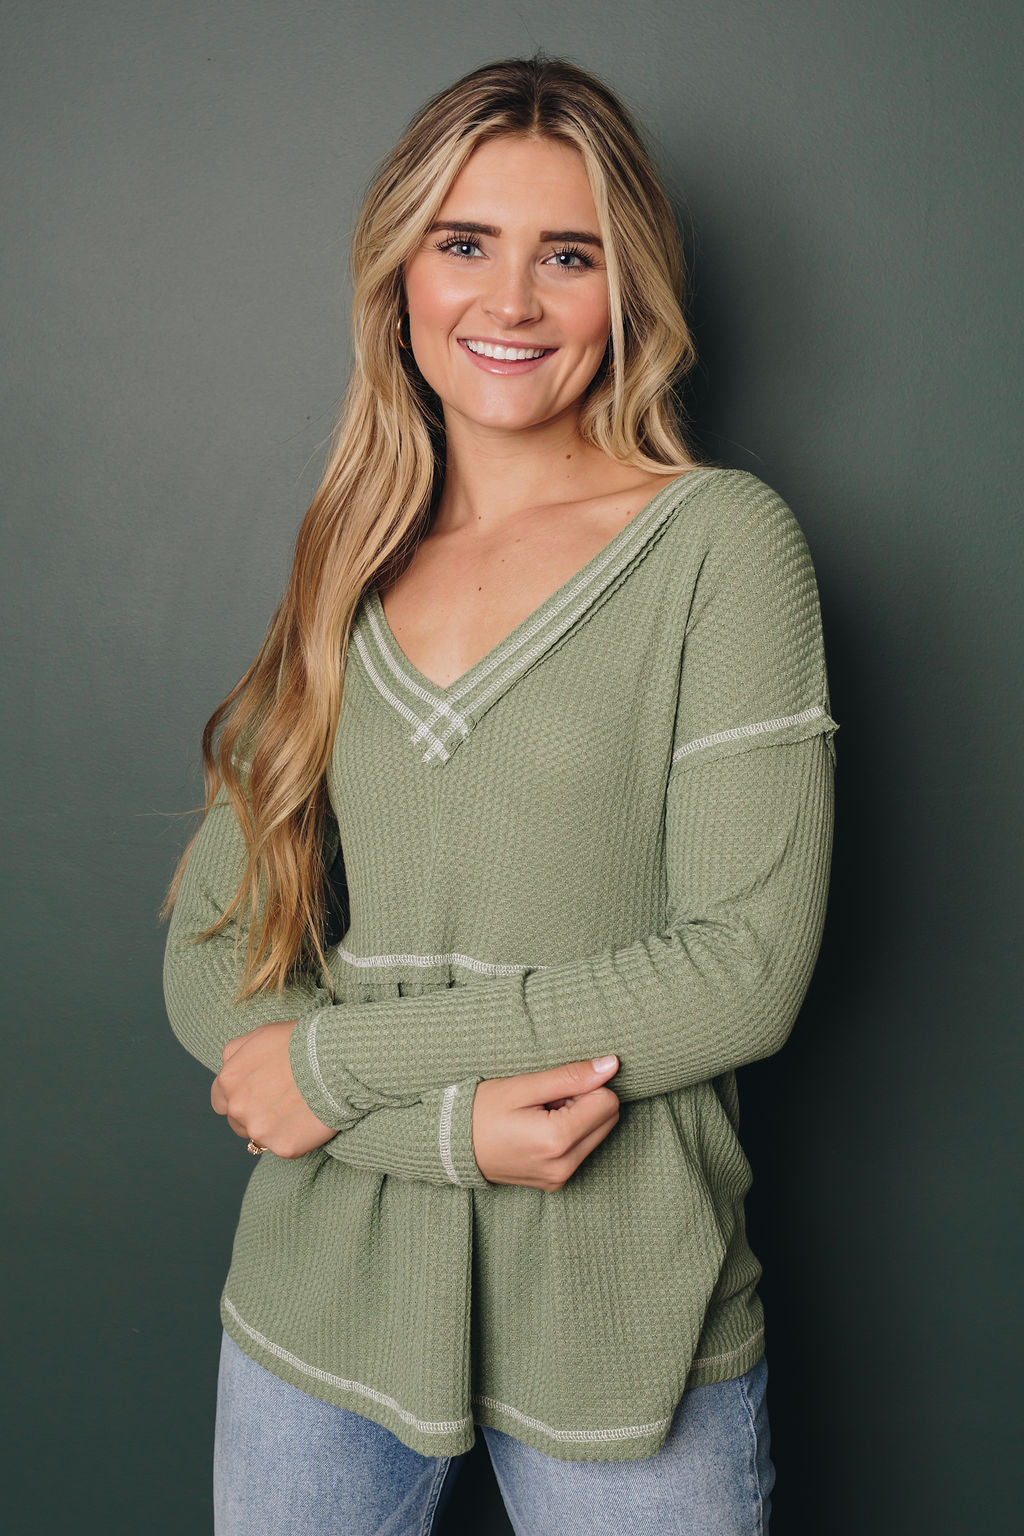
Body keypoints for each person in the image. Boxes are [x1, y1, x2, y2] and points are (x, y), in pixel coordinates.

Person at [162, 51, 838, 1535]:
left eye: (568, 255)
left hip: (623, 1316)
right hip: (317, 1305)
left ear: (628, 290)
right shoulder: (348, 555)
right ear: (401, 273)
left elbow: (742, 973)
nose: (511, 301)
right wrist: (442, 1134)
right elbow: (216, 961)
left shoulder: (722, 547)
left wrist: (339, 1069)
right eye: (465, 242)